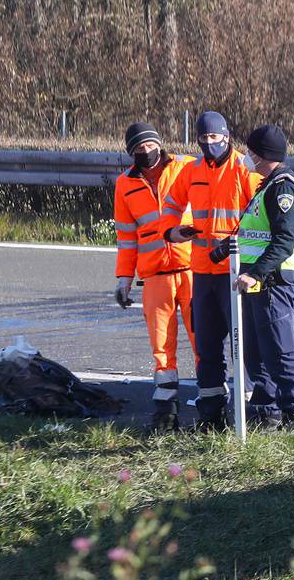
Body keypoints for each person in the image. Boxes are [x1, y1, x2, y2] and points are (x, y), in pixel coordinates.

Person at [159, 112, 259, 430]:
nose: (207, 144)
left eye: (213, 138)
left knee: (244, 344)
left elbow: (259, 211)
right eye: (202, 139)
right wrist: (173, 231)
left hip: (235, 272)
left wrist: (238, 242)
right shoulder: (193, 170)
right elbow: (171, 203)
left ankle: (249, 412)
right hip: (202, 272)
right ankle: (211, 414)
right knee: (206, 346)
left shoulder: (244, 169)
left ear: (226, 137)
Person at [226, 123, 294, 433]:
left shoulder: (284, 188)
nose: (247, 157)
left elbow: (283, 240)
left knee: (280, 349)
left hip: (272, 280)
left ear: (264, 155)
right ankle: (267, 414)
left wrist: (256, 273)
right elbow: (252, 232)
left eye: (251, 152)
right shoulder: (267, 184)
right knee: (256, 352)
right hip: (255, 280)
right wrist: (221, 250)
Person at [111, 123, 196, 429]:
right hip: (155, 275)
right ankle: (165, 416)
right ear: (130, 152)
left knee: (204, 343)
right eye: (138, 148)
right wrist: (124, 279)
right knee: (161, 348)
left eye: (149, 145)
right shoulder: (125, 184)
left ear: (159, 144)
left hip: (192, 269)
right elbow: (126, 237)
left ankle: (213, 412)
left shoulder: (186, 167)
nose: (145, 151)